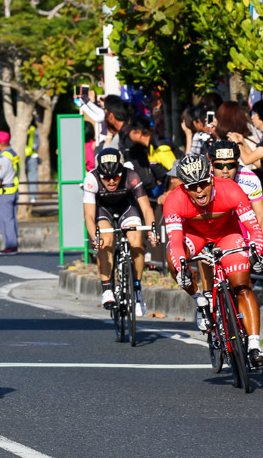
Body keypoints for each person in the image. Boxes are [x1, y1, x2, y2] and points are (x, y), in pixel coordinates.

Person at [164, 154, 263, 366]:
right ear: (184, 187)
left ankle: (255, 345)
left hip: (227, 234)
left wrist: (257, 250)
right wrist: (182, 268)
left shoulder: (230, 189)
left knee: (242, 284)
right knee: (174, 262)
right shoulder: (174, 200)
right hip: (195, 237)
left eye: (202, 184)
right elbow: (175, 242)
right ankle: (200, 301)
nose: (199, 191)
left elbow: (254, 228)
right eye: (192, 186)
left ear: (211, 179)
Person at [83, 148, 157, 314]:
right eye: (106, 178)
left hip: (126, 207)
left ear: (122, 171)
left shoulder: (131, 176)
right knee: (105, 239)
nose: (111, 182)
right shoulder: (91, 179)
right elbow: (88, 215)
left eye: (115, 177)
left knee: (136, 242)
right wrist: (94, 236)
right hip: (103, 209)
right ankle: (107, 289)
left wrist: (152, 230)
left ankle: (137, 289)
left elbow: (146, 208)